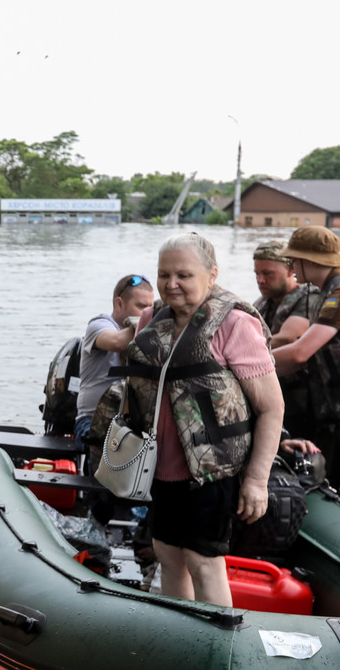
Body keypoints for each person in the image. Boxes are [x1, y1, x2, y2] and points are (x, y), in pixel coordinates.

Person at [125, 233, 282, 606]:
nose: (171, 284)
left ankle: (216, 649)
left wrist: (257, 481)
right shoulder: (152, 317)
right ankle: (179, 639)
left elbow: (272, 408)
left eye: (184, 275)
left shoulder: (235, 324)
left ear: (212, 275)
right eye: (164, 275)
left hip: (213, 471)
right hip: (161, 466)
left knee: (203, 560)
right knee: (167, 552)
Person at [272, 226, 340, 512]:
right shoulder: (330, 293)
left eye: (294, 260)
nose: (290, 266)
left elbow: (301, 352)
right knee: (338, 488)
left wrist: (247, 366)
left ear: (312, 261)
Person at [74, 274, 155, 451]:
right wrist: (154, 321)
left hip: (129, 422)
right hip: (91, 421)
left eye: (151, 308)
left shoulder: (149, 332)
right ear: (119, 303)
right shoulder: (99, 324)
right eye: (141, 306)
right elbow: (117, 342)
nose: (147, 313)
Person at [251, 239, 321, 442]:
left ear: (291, 270)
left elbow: (288, 338)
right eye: (257, 274)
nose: (260, 280)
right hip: (270, 399)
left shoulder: (308, 298)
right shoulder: (260, 303)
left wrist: (242, 354)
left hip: (303, 403)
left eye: (268, 273)